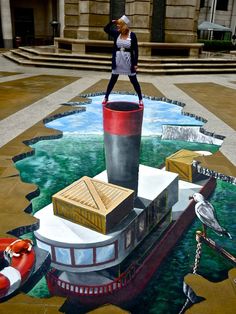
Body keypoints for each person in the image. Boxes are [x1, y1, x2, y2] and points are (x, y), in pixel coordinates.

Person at [102, 15, 143, 105]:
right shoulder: (117, 34)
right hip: (117, 60)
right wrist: (112, 22)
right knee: (113, 79)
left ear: (124, 25)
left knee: (134, 80)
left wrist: (135, 63)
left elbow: (136, 50)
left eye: (119, 24)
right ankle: (106, 97)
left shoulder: (132, 35)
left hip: (128, 61)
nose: (117, 26)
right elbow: (106, 29)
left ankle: (140, 99)